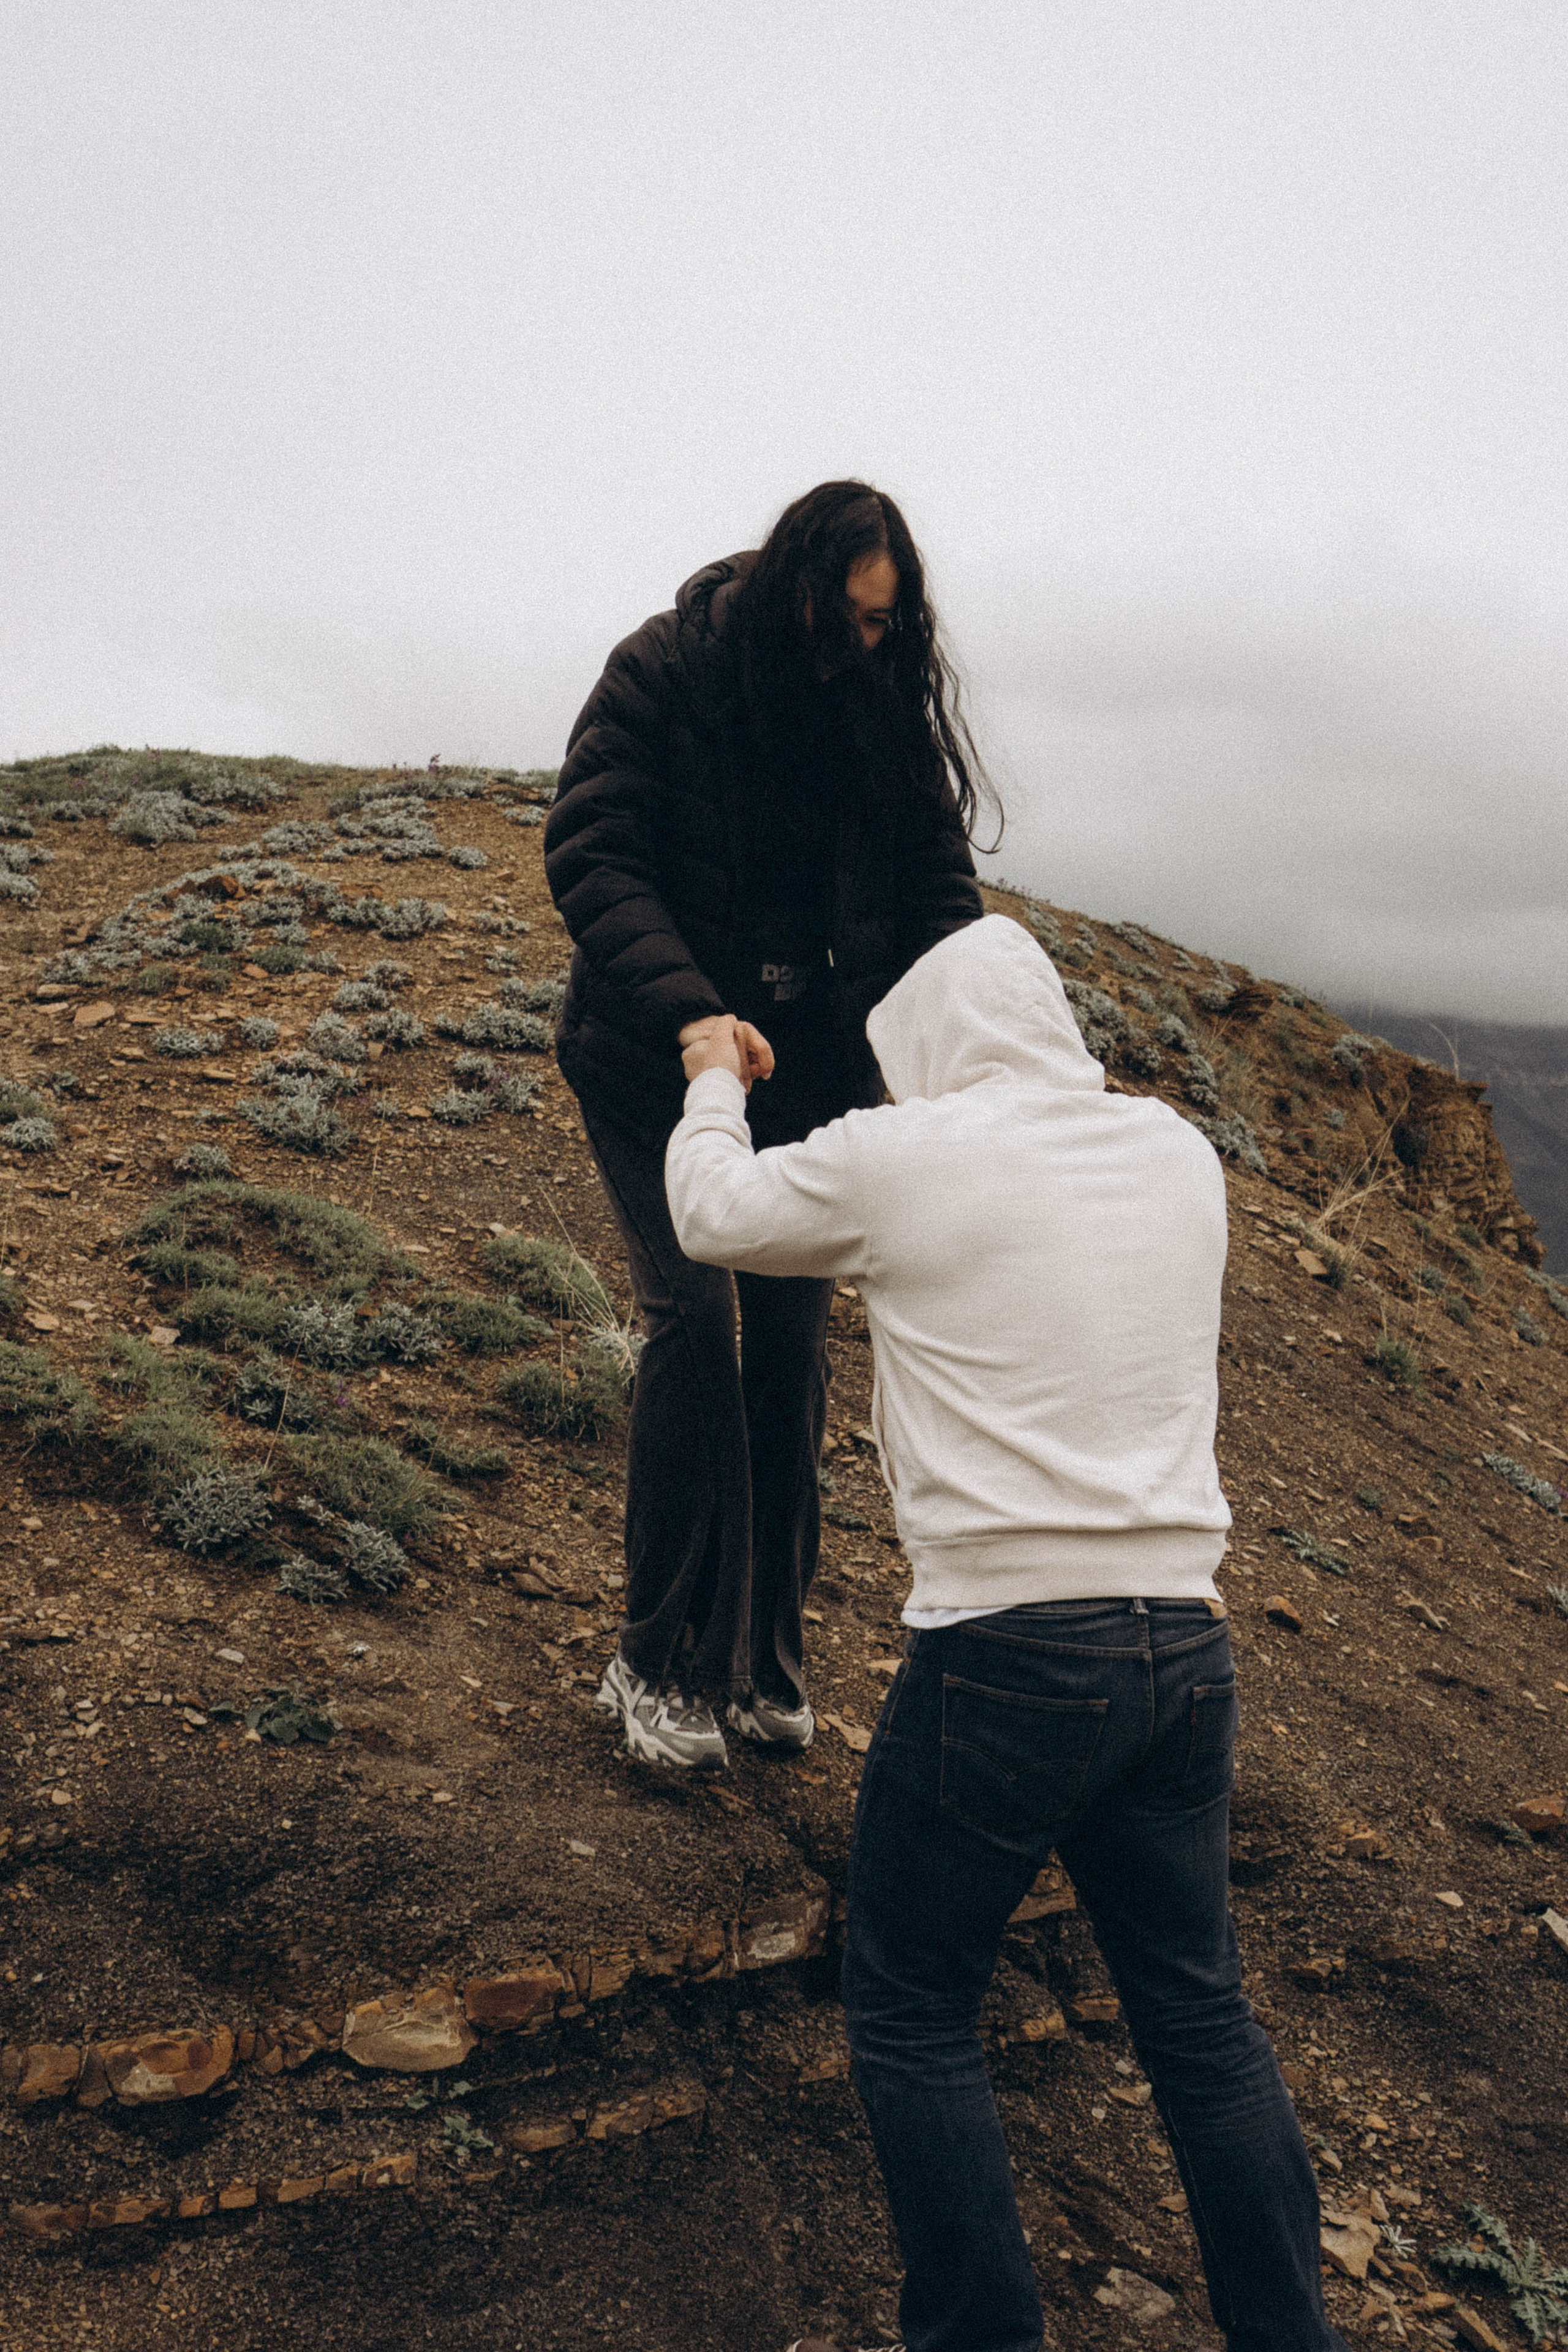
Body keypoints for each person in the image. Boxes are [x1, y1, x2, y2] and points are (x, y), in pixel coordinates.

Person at [665, 915, 1350, 2352]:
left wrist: (714, 1076)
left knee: (911, 2009)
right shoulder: (1175, 1155)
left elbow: (712, 1220)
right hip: (1184, 1648)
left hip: (1006, 1654)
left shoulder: (911, 1156)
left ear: (923, 1048)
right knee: (1198, 2021)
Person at [545, 481, 993, 1771]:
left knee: (787, 1350)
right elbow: (592, 847)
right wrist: (690, 1015)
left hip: (804, 1072)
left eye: (883, 625)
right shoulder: (666, 671)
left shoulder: (876, 701)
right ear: (795, 586)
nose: (865, 645)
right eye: (849, 620)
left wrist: (965, 1036)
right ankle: (656, 1663)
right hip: (653, 1057)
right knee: (691, 1321)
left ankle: (760, 1662)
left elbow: (930, 884)